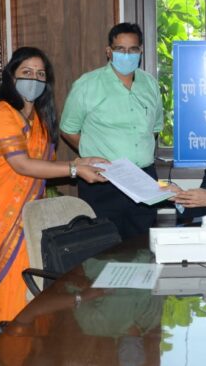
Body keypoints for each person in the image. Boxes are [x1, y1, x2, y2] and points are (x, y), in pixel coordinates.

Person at [0, 46, 107, 347]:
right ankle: (0, 353)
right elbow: (21, 164)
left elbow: (44, 168)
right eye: (26, 72)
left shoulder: (40, 121)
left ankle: (28, 352)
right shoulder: (0, 112)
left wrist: (81, 162)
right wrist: (75, 169)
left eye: (40, 74)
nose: (34, 79)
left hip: (30, 217)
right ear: (11, 76)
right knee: (4, 290)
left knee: (29, 289)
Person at [60, 23, 164, 239]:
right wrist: (92, 152)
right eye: (120, 49)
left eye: (133, 49)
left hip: (143, 179)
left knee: (142, 246)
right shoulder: (87, 84)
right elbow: (68, 130)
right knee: (103, 247)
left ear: (141, 51)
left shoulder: (150, 85)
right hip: (103, 181)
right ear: (109, 51)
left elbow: (153, 130)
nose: (127, 54)